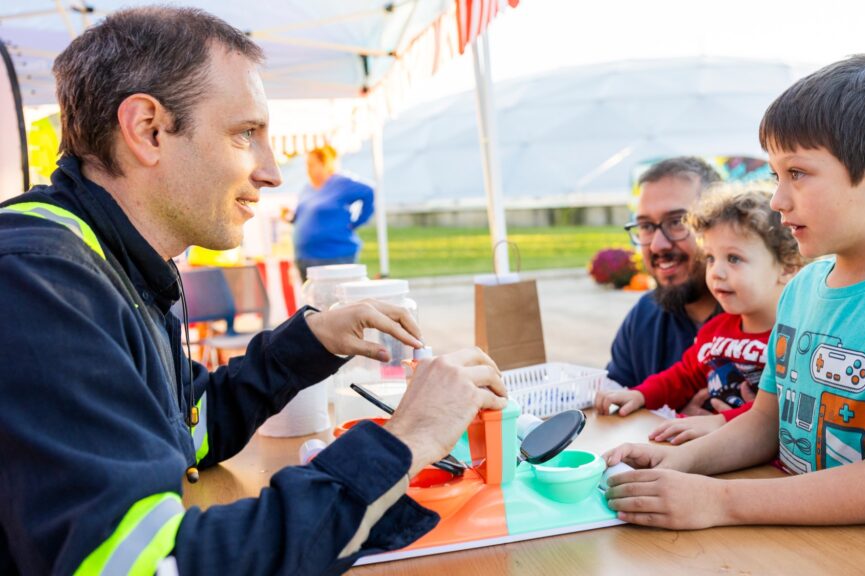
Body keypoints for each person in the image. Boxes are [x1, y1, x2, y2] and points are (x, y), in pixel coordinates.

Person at [0, 7, 505, 574]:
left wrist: (310, 340)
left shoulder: (109, 259)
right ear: (148, 129)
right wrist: (406, 440)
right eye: (246, 134)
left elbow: (185, 430)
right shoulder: (37, 280)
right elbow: (148, 566)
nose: (272, 172)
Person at [604, 54, 865, 543]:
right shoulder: (804, 288)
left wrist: (717, 499)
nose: (777, 200)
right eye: (775, 175)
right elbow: (765, 422)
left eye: (798, 173)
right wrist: (680, 461)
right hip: (807, 536)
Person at [597, 190, 804, 445]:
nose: (716, 272)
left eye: (734, 258)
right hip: (712, 458)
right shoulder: (715, 331)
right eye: (710, 258)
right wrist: (640, 395)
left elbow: (788, 410)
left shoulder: (798, 338)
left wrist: (720, 422)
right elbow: (682, 377)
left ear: (787, 267)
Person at [602, 157, 722, 389]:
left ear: (719, 223)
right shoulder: (643, 318)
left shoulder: (761, 320)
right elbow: (613, 405)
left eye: (677, 222)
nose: (658, 245)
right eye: (646, 226)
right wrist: (669, 416)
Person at [288, 144, 375, 281]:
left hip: (334, 255)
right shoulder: (307, 188)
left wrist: (356, 223)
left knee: (336, 299)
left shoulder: (341, 183)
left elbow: (369, 192)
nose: (308, 169)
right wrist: (289, 217)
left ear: (324, 164)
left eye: (312, 165)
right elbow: (301, 216)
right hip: (305, 256)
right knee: (312, 300)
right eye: (307, 165)